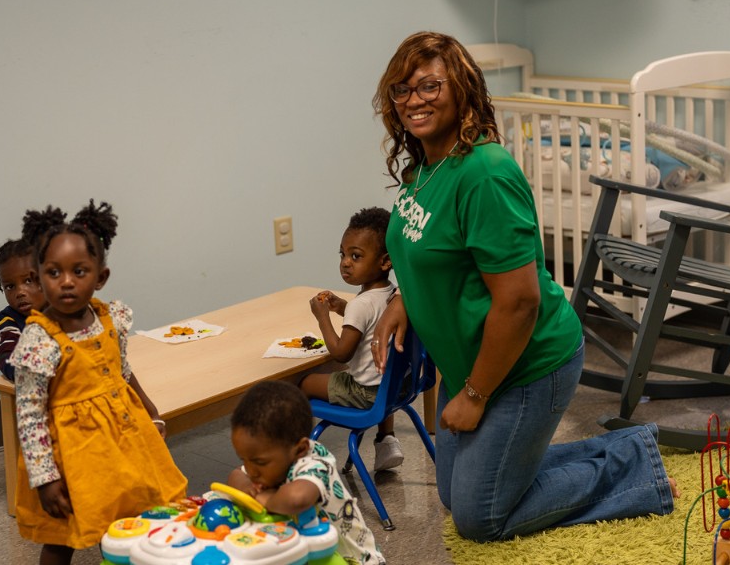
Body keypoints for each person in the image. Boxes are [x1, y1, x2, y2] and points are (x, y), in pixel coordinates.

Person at [370, 31, 679, 543]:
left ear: (462, 88)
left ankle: (635, 466)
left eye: (429, 86)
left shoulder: (485, 173)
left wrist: (473, 394)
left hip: (528, 363)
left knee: (479, 515)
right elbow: (428, 249)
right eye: (401, 90)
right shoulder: (426, 165)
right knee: (452, 493)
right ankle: (626, 446)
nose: (413, 100)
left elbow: (519, 302)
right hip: (473, 360)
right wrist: (402, 297)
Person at [9, 200, 187, 565]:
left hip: (122, 441)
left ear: (100, 277)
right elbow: (29, 415)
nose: (67, 282)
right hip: (72, 456)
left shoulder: (111, 318)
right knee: (64, 537)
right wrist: (45, 478)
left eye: (79, 271)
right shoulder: (39, 339)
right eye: (54, 273)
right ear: (40, 276)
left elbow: (121, 372)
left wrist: (150, 410)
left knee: (133, 520)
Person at [226, 381, 386, 565]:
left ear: (300, 449)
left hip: (355, 560)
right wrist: (248, 488)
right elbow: (235, 475)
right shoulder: (265, 463)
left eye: (259, 462)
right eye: (243, 459)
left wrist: (265, 499)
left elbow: (297, 499)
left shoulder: (315, 463)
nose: (251, 471)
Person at [298, 207, 402, 471]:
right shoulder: (392, 296)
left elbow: (341, 354)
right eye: (343, 254)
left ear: (385, 261)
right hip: (394, 388)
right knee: (377, 375)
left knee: (305, 383)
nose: (345, 262)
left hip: (366, 393)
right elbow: (369, 321)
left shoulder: (361, 304)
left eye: (356, 256)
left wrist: (323, 317)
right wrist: (341, 307)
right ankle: (386, 439)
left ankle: (300, 456)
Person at [0, 237, 46, 381]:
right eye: (10, 286)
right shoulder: (9, 319)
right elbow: (6, 356)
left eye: (28, 281)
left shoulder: (65, 307)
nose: (20, 292)